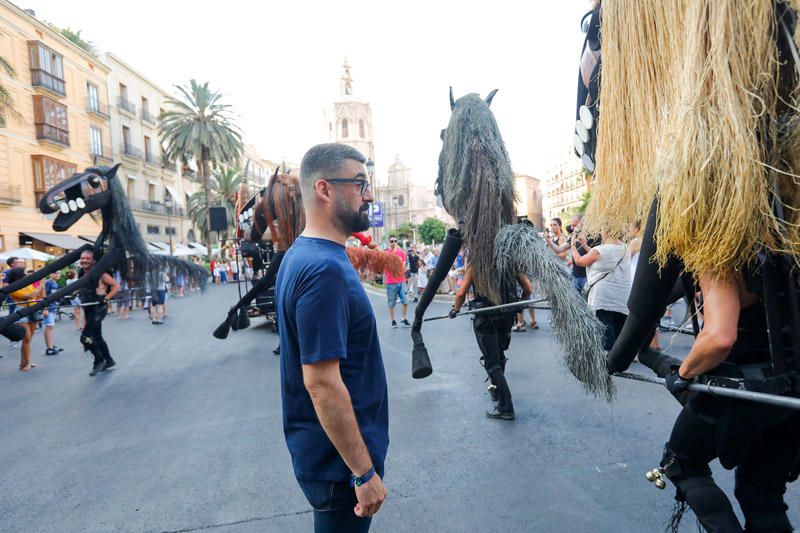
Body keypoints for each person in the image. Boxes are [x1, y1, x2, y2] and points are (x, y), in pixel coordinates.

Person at [276, 143, 388, 532]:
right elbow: (321, 382)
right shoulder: (323, 269)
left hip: (328, 460)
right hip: (340, 469)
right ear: (324, 190)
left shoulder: (301, 255)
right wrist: (362, 473)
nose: (369, 194)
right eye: (360, 184)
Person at [452, 264, 531, 420]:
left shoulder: (476, 264)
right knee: (499, 355)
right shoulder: (510, 263)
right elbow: (528, 288)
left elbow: (461, 293)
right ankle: (496, 390)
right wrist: (521, 303)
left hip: (486, 318)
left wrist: (455, 309)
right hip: (506, 316)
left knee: (492, 362)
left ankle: (506, 407)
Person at [571, 231, 630, 350]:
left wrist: (573, 246)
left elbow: (579, 261)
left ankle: (609, 361)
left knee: (606, 331)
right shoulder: (624, 248)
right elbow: (602, 258)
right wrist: (586, 246)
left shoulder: (600, 250)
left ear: (607, 232)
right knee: (619, 329)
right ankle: (618, 358)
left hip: (603, 297)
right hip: (620, 296)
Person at [78, 249, 120, 376]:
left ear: (94, 261)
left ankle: (99, 360)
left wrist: (106, 298)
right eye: (83, 258)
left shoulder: (101, 274)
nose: (84, 260)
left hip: (99, 307)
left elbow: (116, 286)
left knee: (86, 337)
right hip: (88, 306)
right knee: (96, 336)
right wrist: (70, 295)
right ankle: (109, 360)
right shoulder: (82, 273)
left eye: (87, 258)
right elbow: (81, 287)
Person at [6, 267, 44, 371]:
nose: (27, 275)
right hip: (21, 312)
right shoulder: (13, 287)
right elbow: (31, 295)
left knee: (28, 339)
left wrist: (40, 288)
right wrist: (41, 283)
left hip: (32, 310)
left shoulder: (28, 284)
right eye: (25, 273)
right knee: (26, 338)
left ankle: (24, 362)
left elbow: (37, 295)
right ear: (19, 275)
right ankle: (27, 363)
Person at [384, 235, 409, 328]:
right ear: (389, 242)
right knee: (391, 302)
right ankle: (392, 320)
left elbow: (403, 266)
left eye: (395, 241)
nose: (393, 243)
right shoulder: (386, 253)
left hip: (401, 280)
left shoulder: (401, 253)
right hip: (391, 282)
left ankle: (403, 318)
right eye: (391, 241)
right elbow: (387, 266)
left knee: (405, 301)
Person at [43, 271, 64, 355]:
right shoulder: (48, 283)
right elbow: (44, 295)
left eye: (59, 273)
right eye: (56, 273)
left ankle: (51, 345)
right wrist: (45, 308)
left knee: (51, 327)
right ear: (51, 274)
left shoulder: (54, 282)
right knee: (49, 326)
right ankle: (49, 348)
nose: (58, 275)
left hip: (53, 306)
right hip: (48, 307)